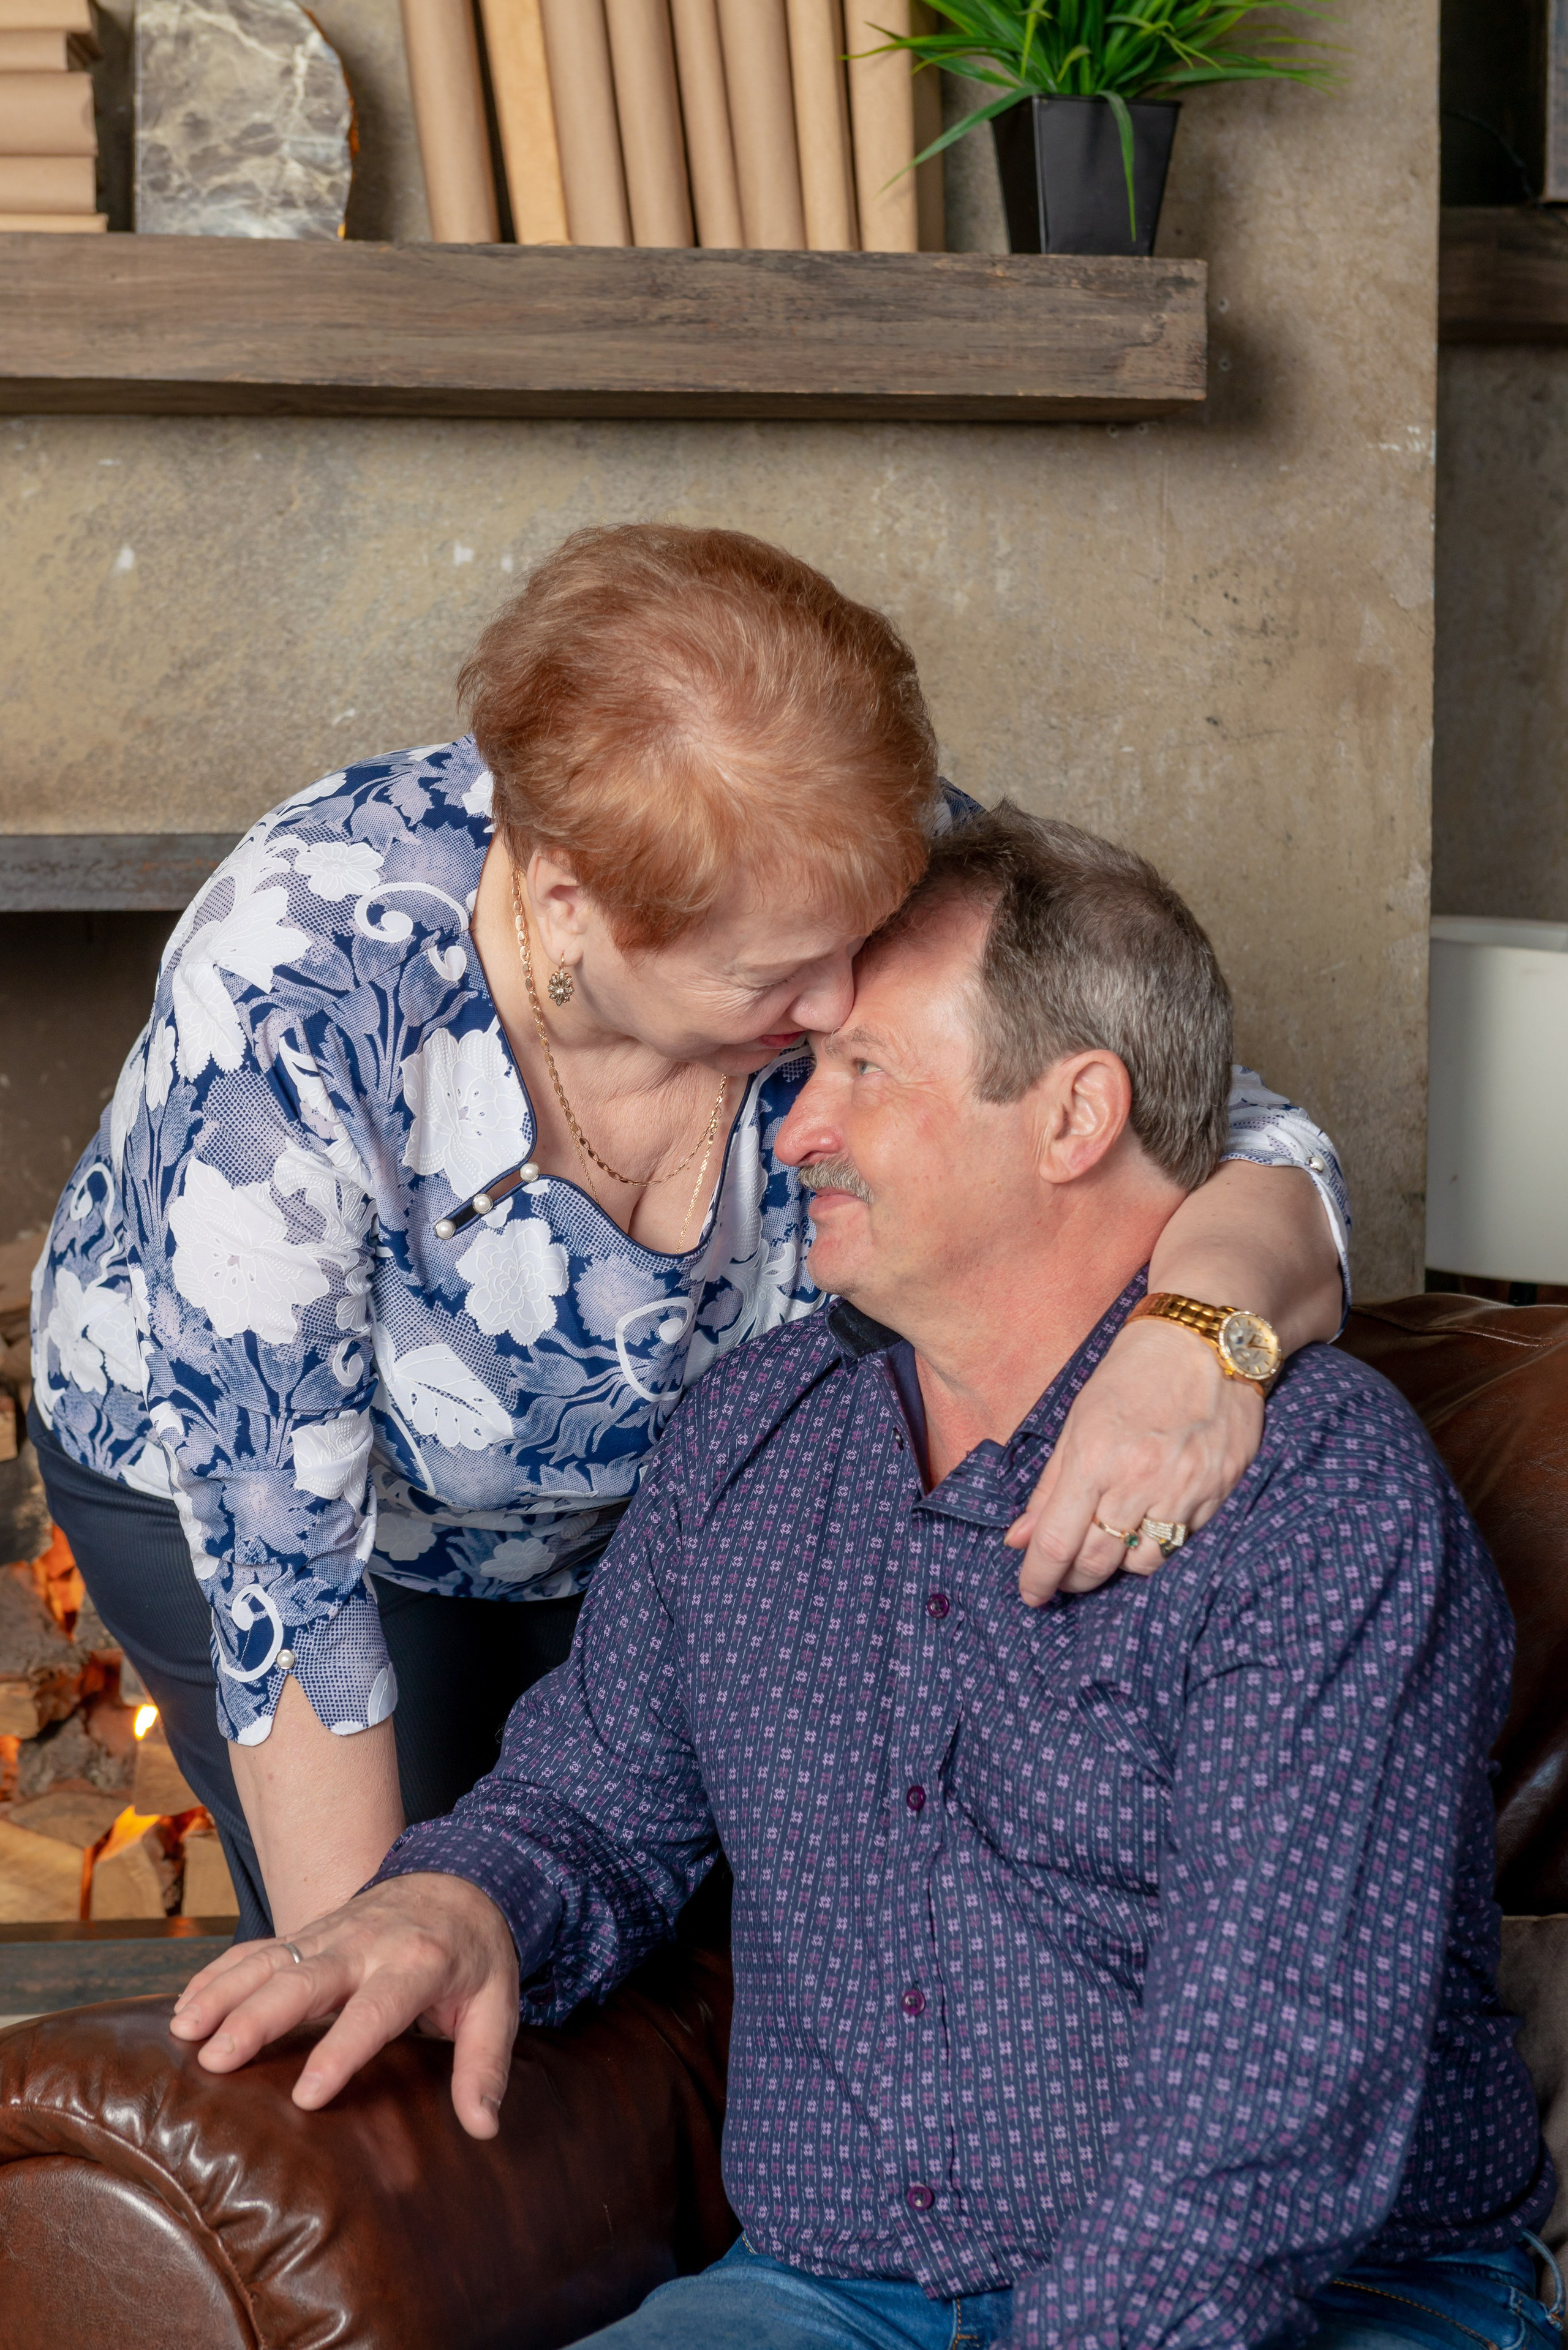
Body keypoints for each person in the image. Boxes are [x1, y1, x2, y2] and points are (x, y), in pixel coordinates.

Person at [172, 806, 1554, 2350]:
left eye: (861, 1073)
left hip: (1319, 2301)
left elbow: (1273, 2091)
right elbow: (590, 1799)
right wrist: (454, 1898)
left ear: (1072, 1112)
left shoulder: (1310, 1486)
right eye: (800, 1071)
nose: (790, 1129)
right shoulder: (749, 1440)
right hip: (826, 2299)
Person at [29, 527, 1346, 1947]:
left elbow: (1225, 1139)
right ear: (566, 906)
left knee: (683, 1931)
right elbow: (290, 1590)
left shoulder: (825, 855)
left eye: (865, 928)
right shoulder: (290, 991)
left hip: (657, 1520)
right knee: (429, 1945)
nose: (846, 994)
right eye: (777, 972)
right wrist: (371, 1986)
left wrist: (1198, 1333)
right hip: (307, 1520)